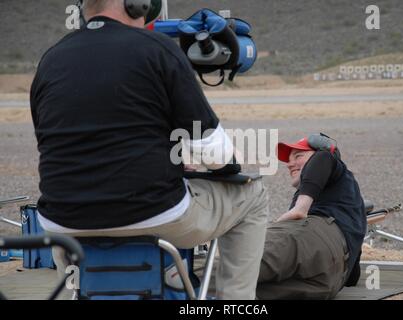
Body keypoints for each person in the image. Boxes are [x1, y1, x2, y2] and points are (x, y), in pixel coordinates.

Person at [30, 0, 268, 300]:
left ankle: (81, 292)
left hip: (62, 223)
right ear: (136, 4)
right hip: (155, 214)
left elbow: (62, 144)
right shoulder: (157, 48)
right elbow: (215, 152)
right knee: (254, 195)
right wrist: (222, 168)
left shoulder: (50, 59)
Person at [256, 134, 366, 299]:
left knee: (230, 269)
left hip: (315, 236)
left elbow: (324, 157)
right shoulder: (345, 195)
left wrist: (299, 208)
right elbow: (353, 278)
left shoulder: (334, 166)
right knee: (238, 292)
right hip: (328, 283)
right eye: (288, 160)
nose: (289, 164)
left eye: (298, 156)